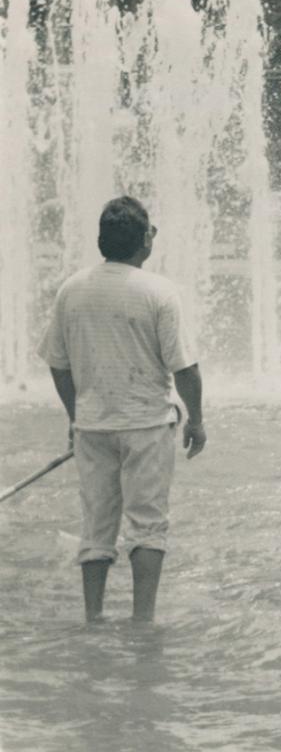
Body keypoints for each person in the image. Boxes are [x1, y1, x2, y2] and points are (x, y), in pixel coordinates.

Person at [38, 196, 208, 623]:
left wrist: (76, 416)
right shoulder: (159, 292)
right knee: (147, 525)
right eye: (151, 230)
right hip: (146, 425)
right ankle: (142, 622)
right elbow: (185, 368)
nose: (154, 236)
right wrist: (198, 421)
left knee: (96, 526)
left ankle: (93, 619)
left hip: (94, 427)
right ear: (142, 241)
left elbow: (58, 364)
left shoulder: (71, 289)